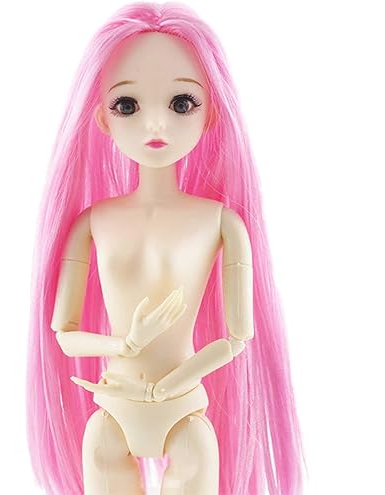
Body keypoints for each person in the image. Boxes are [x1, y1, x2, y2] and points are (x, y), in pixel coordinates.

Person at [27, 3, 304, 494]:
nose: (155, 124)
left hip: (184, 413)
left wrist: (172, 383)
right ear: (103, 119)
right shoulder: (92, 223)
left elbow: (236, 337)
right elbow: (64, 334)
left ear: (210, 113)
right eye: (127, 105)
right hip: (112, 413)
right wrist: (124, 345)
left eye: (181, 103)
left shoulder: (223, 223)